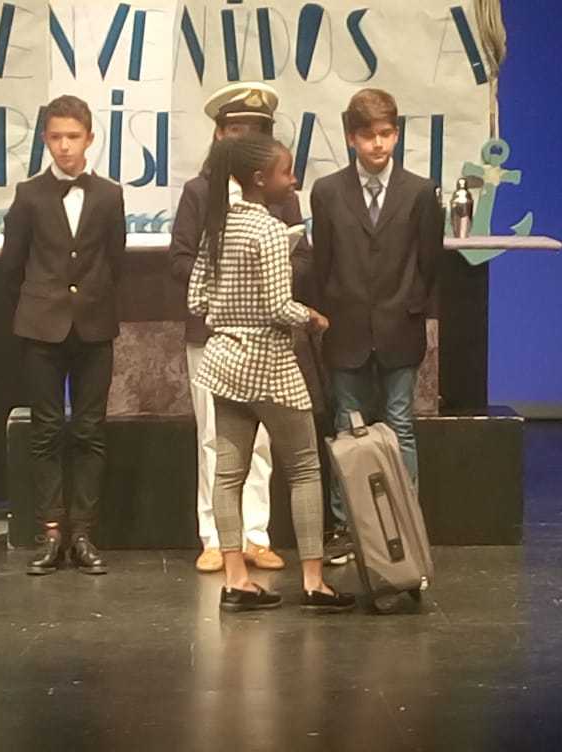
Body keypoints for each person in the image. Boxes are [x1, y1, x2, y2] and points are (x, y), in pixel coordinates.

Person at [187, 132, 355, 613]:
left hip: (224, 362)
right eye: (287, 172)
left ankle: (236, 580)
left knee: (227, 474)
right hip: (269, 363)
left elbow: (196, 299)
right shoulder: (269, 230)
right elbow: (280, 305)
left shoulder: (218, 225)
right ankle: (314, 582)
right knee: (304, 468)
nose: (294, 180)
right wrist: (312, 317)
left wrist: (230, 314)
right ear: (261, 179)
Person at [170, 82, 316, 574]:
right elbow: (182, 258)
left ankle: (256, 534)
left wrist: (269, 276)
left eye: (255, 131)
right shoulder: (200, 192)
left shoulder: (277, 191)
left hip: (268, 336)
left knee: (264, 442)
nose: (244, 138)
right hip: (215, 334)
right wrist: (227, 285)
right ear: (219, 134)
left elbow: (301, 256)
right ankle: (214, 536)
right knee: (216, 438)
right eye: (236, 130)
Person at [309, 88, 444, 564]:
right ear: (351, 138)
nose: (378, 144)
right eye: (368, 136)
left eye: (386, 134)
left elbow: (429, 261)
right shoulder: (327, 192)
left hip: (399, 324)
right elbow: (322, 262)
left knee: (400, 423)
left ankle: (404, 522)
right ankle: (347, 527)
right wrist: (327, 311)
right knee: (349, 428)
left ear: (397, 134)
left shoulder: (420, 191)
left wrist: (412, 305)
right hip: (345, 325)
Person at [0, 95, 126, 576]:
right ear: (44, 140)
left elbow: (115, 259)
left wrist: (92, 298)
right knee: (47, 429)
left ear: (89, 138)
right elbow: (12, 264)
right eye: (56, 137)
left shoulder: (109, 195)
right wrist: (37, 304)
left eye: (73, 136)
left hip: (93, 324)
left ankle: (84, 534)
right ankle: (51, 531)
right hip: (42, 325)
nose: (65, 146)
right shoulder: (29, 194)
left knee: (91, 429)